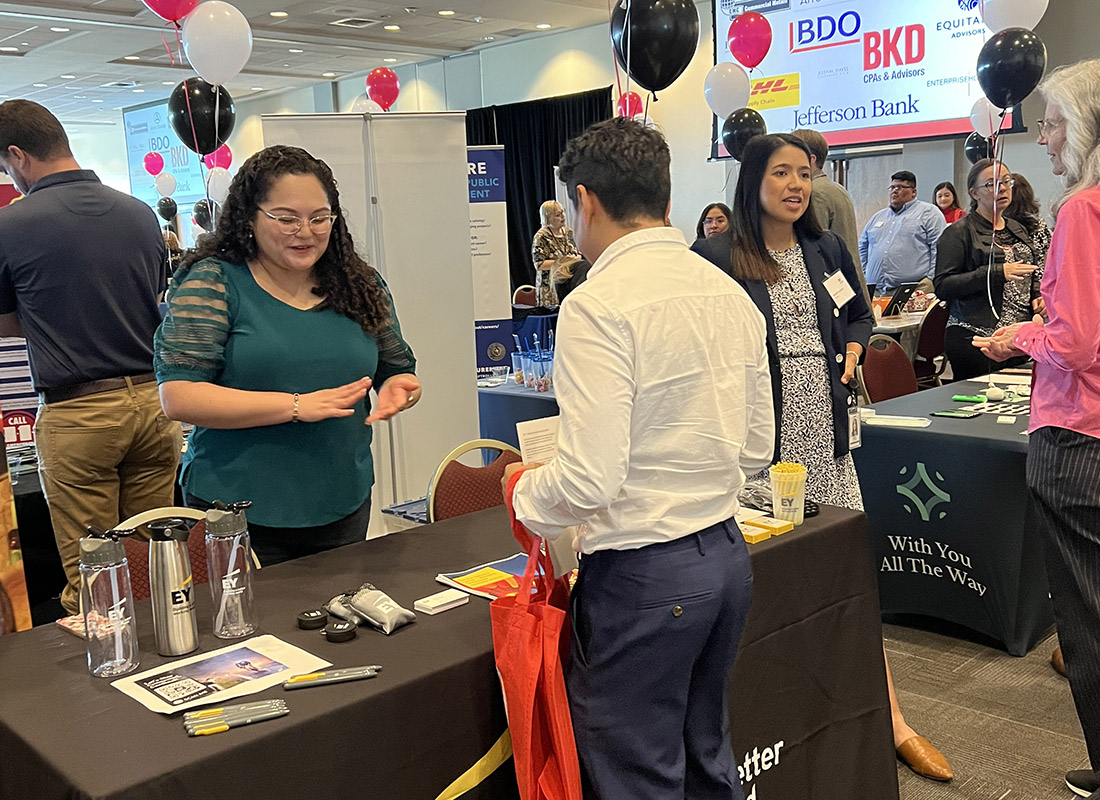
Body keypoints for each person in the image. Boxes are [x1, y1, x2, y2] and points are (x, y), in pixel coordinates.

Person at [505, 117, 774, 800]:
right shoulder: (729, 291)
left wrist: (523, 493)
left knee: (634, 774)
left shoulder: (598, 305)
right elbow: (755, 448)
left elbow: (590, 480)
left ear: (585, 201)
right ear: (664, 193)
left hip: (644, 575)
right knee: (707, 753)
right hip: (724, 556)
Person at [711, 132, 953, 783]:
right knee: (766, 582)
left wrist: (852, 346)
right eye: (783, 172)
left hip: (825, 429)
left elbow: (855, 315)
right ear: (753, 178)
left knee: (847, 572)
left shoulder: (826, 248)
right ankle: (775, 723)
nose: (797, 184)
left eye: (805, 172)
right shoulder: (717, 255)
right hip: (756, 440)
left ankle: (892, 718)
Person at [155, 145, 420, 565]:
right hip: (237, 508)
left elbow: (398, 369)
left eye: (319, 218)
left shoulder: (359, 283)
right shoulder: (214, 282)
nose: (307, 231)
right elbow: (180, 397)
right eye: (287, 219)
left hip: (342, 500)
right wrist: (296, 406)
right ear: (250, 217)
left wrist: (399, 389)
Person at [973, 59, 1100, 800]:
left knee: (1085, 615)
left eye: (1050, 122)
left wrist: (1023, 335)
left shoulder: (1083, 212)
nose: (1041, 138)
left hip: (1076, 439)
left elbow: (1078, 344)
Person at [0, 100, 182, 616]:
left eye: (5, 167)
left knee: (96, 575)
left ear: (19, 155)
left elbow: (6, 321)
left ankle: (109, 685)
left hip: (80, 413)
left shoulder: (11, 225)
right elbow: (154, 302)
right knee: (156, 560)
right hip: (154, 401)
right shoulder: (140, 213)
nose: (10, 179)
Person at [933, 159, 1040, 381]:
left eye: (1006, 181)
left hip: (1018, 337)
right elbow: (943, 286)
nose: (1002, 188)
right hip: (976, 334)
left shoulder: (1016, 228)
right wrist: (995, 272)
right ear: (974, 193)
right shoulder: (958, 232)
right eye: (991, 184)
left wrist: (1037, 296)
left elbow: (1030, 274)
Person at [790, 128, 870, 302]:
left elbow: (815, 252)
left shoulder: (814, 193)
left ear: (810, 159)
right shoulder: (836, 189)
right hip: (850, 286)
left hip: (836, 292)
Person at [859, 170, 947, 293]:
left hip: (913, 291)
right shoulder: (878, 217)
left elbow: (939, 248)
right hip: (876, 292)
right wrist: (865, 274)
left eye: (900, 187)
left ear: (913, 192)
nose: (894, 190)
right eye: (892, 187)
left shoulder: (929, 213)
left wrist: (930, 279)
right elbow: (863, 247)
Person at [1004, 172, 1053, 316]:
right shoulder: (1039, 225)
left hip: (1014, 290)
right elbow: (1046, 261)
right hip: (1038, 291)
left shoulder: (1002, 227)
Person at [531, 200, 579, 307]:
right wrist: (563, 262)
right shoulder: (541, 236)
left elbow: (576, 253)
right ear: (548, 218)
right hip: (550, 289)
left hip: (570, 283)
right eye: (558, 215)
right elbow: (539, 265)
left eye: (563, 213)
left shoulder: (568, 233)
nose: (563, 217)